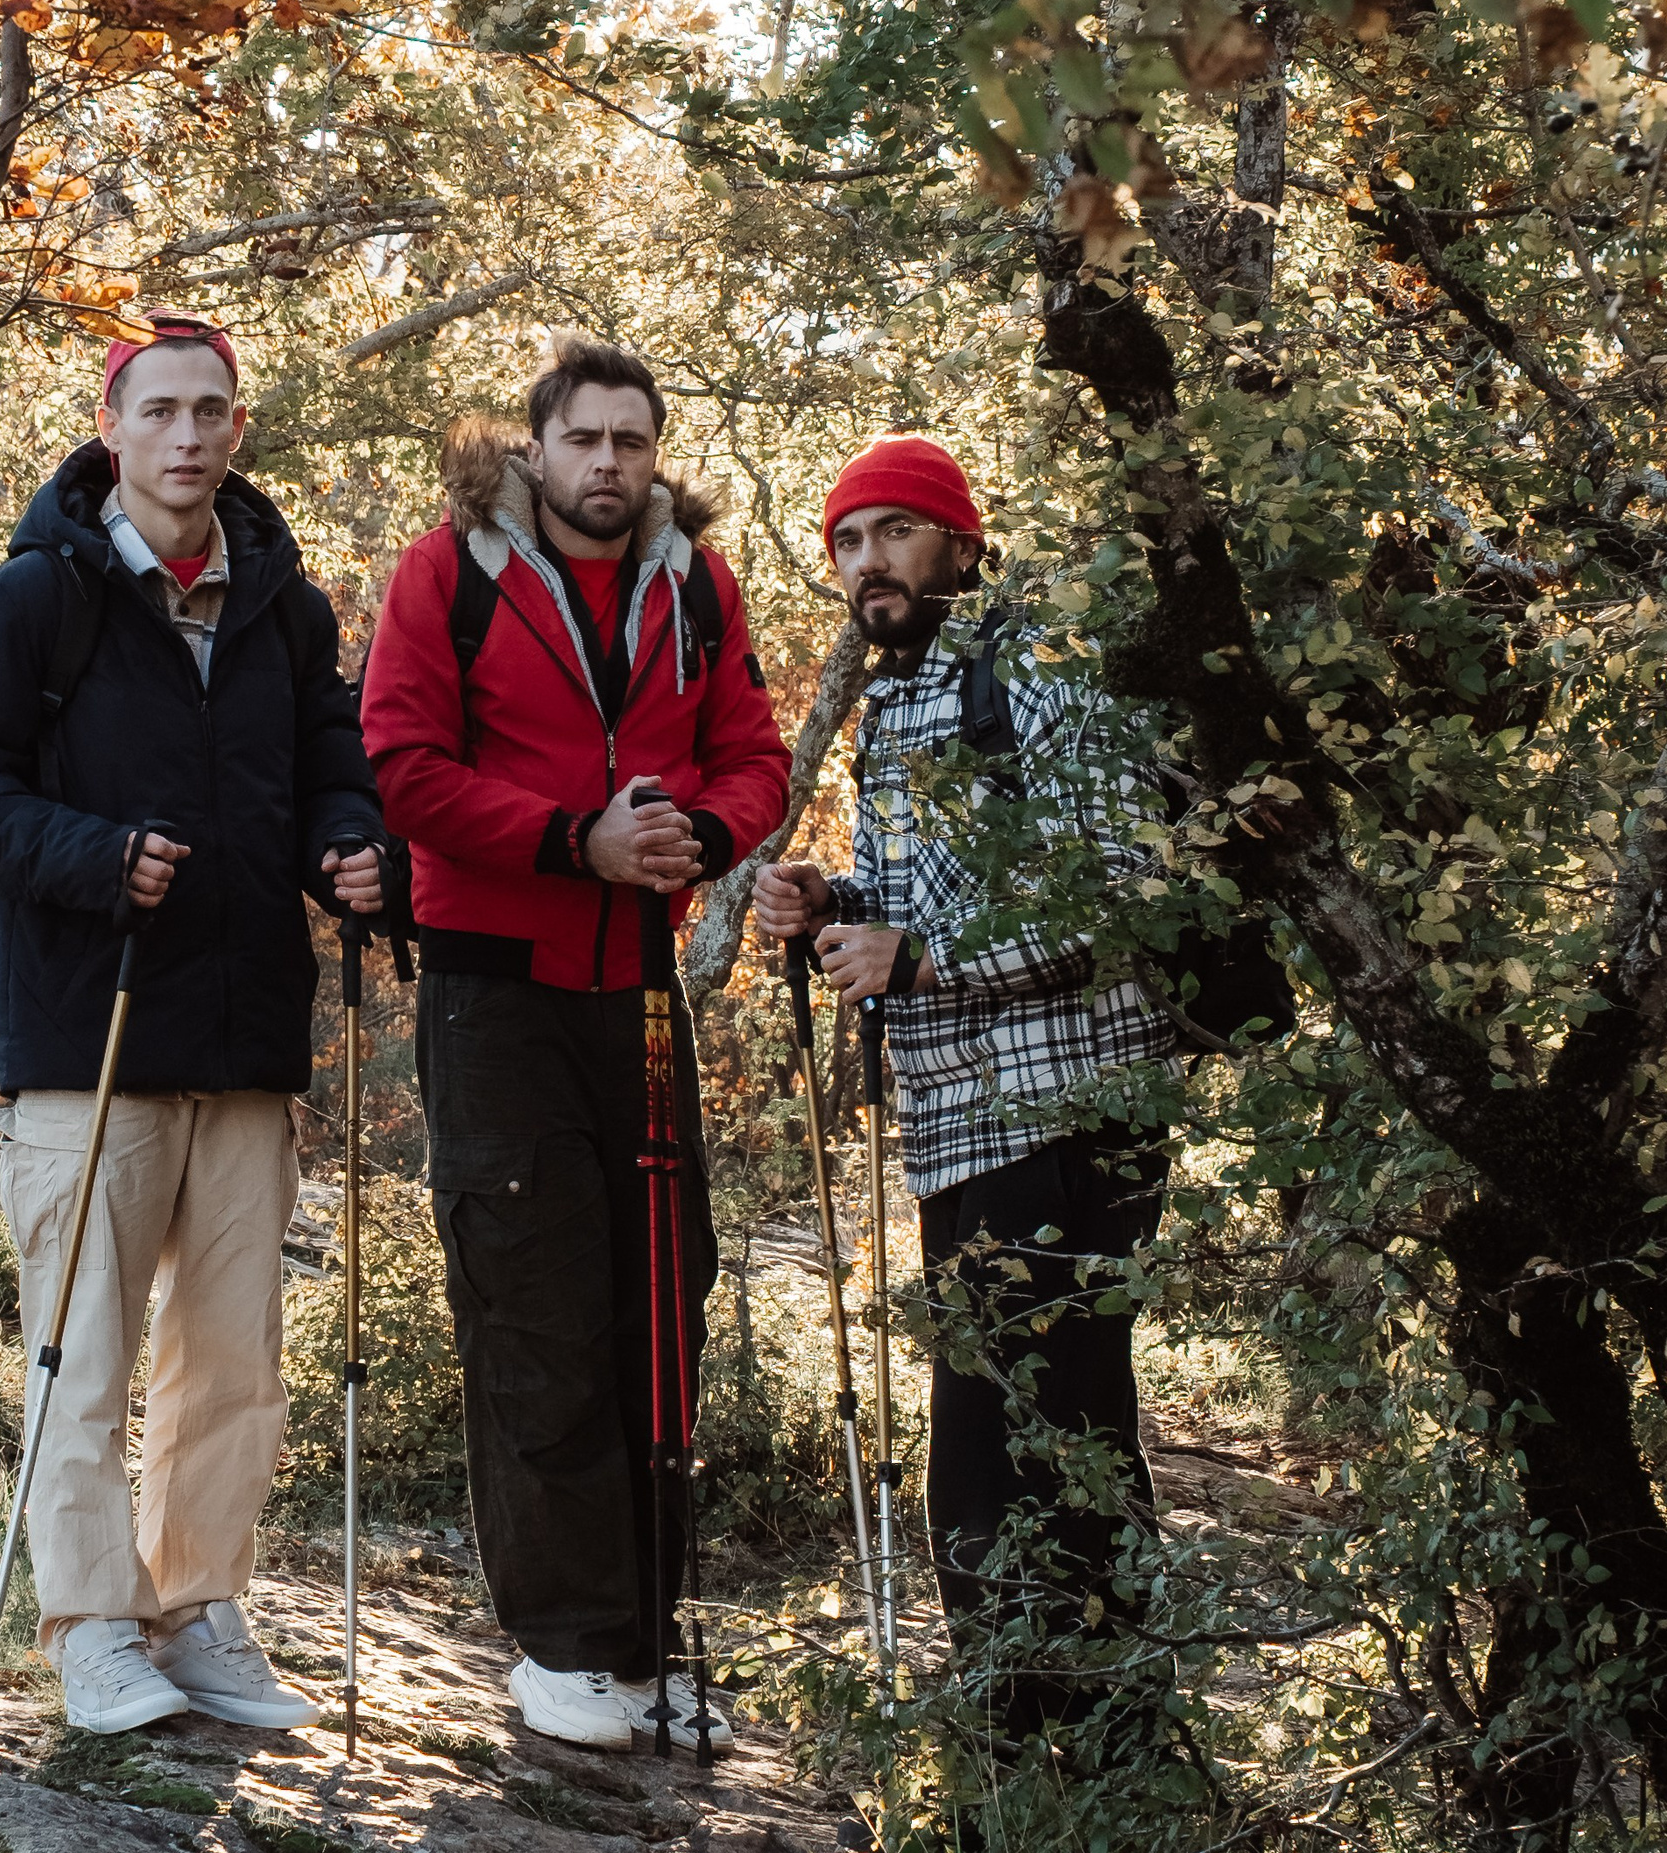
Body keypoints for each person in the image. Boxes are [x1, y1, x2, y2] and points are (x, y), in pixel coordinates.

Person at [0, 315, 389, 1737]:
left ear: (238, 428)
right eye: (163, 410)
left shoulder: (286, 608)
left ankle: (197, 1608)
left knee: (235, 1352)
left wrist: (357, 846)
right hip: (85, 1035)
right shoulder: (26, 602)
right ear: (111, 427)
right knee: (85, 1347)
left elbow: (331, 769)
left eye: (214, 410)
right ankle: (91, 1623)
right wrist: (93, 855)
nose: (190, 435)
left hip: (246, 1042)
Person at [360, 335, 791, 1752]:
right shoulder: (448, 574)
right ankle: (565, 1644)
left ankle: (649, 1635)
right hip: (494, 988)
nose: (609, 461)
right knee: (534, 1295)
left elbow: (757, 760)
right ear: (535, 447)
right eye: (584, 437)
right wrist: (573, 842)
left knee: (664, 1292)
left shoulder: (696, 585)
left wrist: (693, 839)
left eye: (632, 438)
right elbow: (403, 765)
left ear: (653, 452)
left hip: (641, 989)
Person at [753, 434, 1176, 1738]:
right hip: (959, 1120)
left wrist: (922, 956)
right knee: (992, 1424)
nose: (867, 561)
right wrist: (835, 899)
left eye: (894, 531)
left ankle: (1095, 1739)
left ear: (960, 541)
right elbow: (921, 897)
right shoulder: (896, 700)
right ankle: (1021, 1724)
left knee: (1055, 1428)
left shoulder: (1043, 660)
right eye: (847, 539)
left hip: (1067, 1110)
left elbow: (1125, 885)